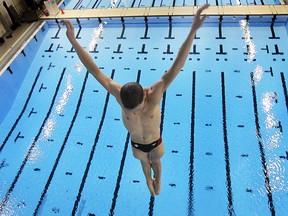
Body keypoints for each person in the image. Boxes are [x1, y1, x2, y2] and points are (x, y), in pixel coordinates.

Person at [62, 4, 209, 197]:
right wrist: (73, 40)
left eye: (137, 108)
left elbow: (177, 65)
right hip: (137, 144)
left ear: (145, 97)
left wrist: (192, 31)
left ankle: (159, 179)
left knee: (156, 163)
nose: (134, 112)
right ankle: (149, 180)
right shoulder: (119, 93)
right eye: (129, 110)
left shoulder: (154, 94)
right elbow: (94, 70)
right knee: (143, 163)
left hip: (155, 143)